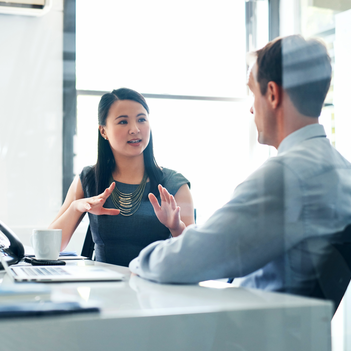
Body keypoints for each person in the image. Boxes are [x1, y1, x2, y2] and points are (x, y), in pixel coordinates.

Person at [129, 35, 351, 297]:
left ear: (272, 94)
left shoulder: (286, 175)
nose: (251, 109)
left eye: (252, 92)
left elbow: (190, 258)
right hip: (294, 329)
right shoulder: (341, 170)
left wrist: (137, 261)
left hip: (251, 332)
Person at [50, 88, 194, 266]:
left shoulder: (174, 184)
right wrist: (76, 208)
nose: (135, 129)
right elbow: (49, 248)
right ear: (103, 131)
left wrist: (175, 227)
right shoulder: (88, 179)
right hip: (103, 289)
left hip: (155, 288)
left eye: (141, 119)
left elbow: (193, 257)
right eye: (123, 122)